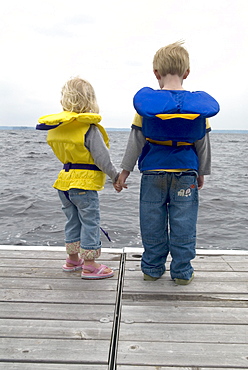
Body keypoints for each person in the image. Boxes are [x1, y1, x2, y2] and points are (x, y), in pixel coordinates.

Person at [116, 41, 220, 284]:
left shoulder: (146, 108)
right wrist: (201, 172)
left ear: (156, 73)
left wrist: (124, 171)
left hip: (153, 174)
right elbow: (202, 144)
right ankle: (182, 273)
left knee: (151, 220)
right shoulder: (198, 110)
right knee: (184, 222)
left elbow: (136, 141)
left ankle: (152, 269)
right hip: (186, 173)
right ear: (186, 73)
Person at [36, 77, 119, 279]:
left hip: (63, 182)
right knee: (90, 221)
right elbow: (102, 158)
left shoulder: (58, 127)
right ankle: (90, 265)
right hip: (84, 184)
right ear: (90, 100)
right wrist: (115, 176)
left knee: (72, 220)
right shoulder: (88, 127)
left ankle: (73, 259)